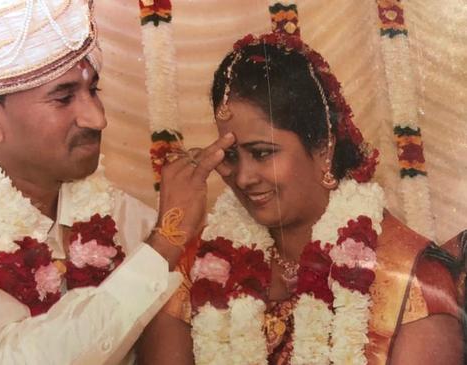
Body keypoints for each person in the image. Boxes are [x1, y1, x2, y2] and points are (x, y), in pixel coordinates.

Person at [0, 1, 234, 364]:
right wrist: (166, 242)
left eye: (92, 90)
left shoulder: (119, 214)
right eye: (64, 98)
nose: (97, 118)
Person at [137, 32, 463, 365]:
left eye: (262, 153)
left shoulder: (410, 278)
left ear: (324, 147)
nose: (244, 176)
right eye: (231, 156)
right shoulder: (197, 266)